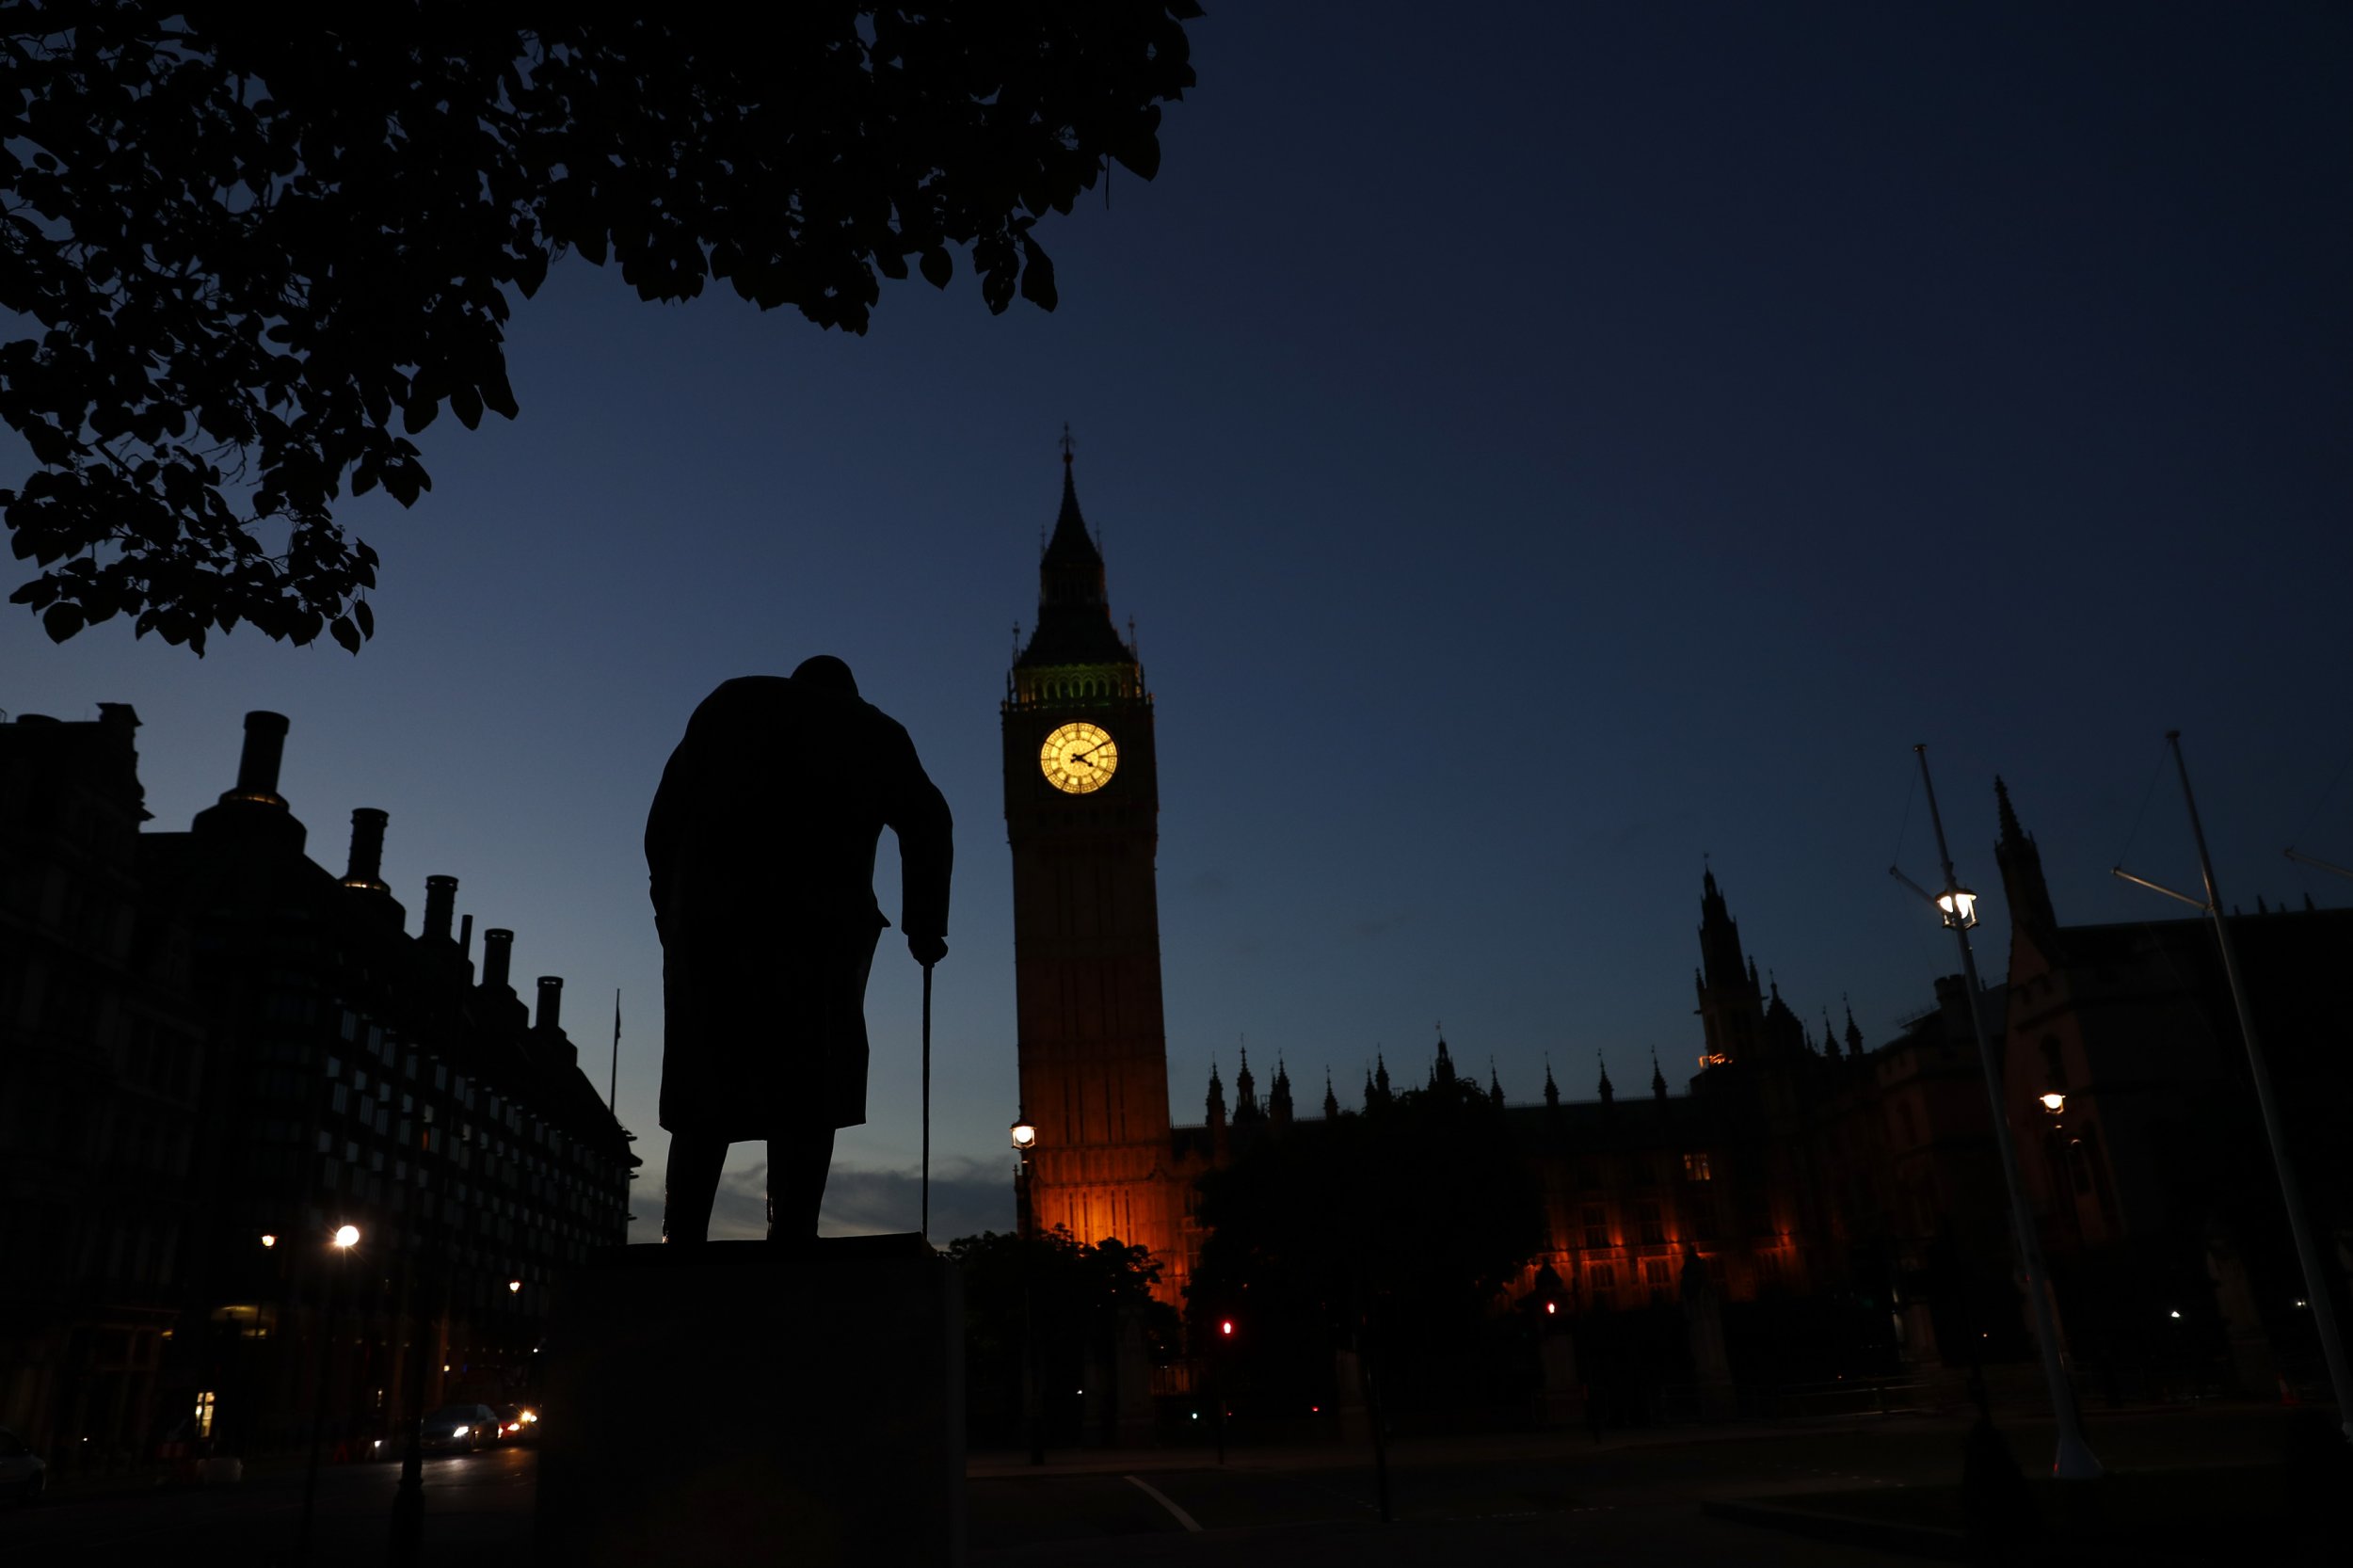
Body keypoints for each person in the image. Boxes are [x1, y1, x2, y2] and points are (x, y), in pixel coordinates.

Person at [646, 656, 952, 1241]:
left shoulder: (727, 702)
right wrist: (924, 925)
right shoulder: (875, 730)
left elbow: (663, 822)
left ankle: (682, 1236)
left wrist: (671, 912)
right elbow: (929, 821)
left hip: (716, 924)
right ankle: (792, 1235)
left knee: (706, 1078)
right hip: (821, 933)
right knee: (811, 1083)